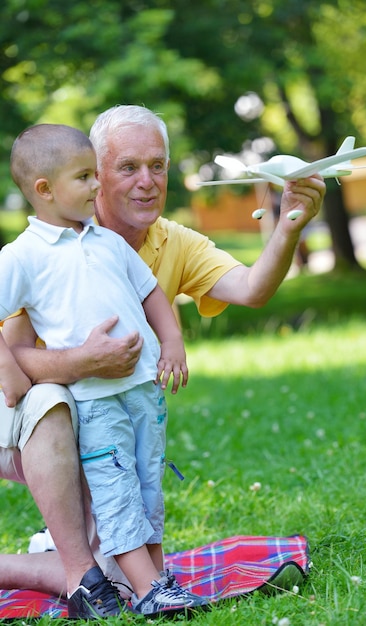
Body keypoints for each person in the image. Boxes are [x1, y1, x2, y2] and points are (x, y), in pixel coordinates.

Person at [0, 104, 325, 607]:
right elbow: (16, 363)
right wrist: (84, 362)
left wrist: (288, 227)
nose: (147, 181)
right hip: (32, 422)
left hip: (107, 417)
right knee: (54, 403)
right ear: (95, 175)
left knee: (126, 568)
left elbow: (251, 288)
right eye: (127, 167)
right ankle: (72, 565)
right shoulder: (37, 254)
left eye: (158, 166)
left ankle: (86, 557)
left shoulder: (157, 242)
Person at [0, 123, 209, 618]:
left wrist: (173, 341)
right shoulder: (21, 256)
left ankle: (152, 581)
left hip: (143, 390)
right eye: (85, 177)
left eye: (96, 174)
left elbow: (150, 293)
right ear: (45, 190)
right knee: (115, 486)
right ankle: (151, 590)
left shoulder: (109, 243)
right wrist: (8, 369)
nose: (98, 187)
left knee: (147, 483)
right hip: (94, 398)